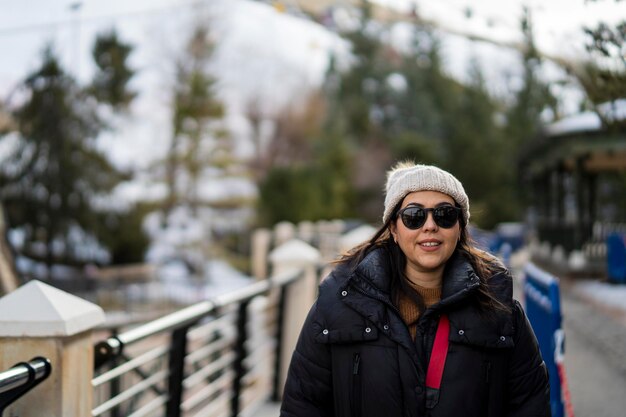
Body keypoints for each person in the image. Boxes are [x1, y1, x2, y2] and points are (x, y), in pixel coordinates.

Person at [280, 162, 550, 417]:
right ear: (394, 230)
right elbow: (304, 405)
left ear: (459, 228)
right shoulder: (338, 305)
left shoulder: (499, 309)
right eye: (414, 216)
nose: (430, 226)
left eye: (445, 215)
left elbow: (529, 404)